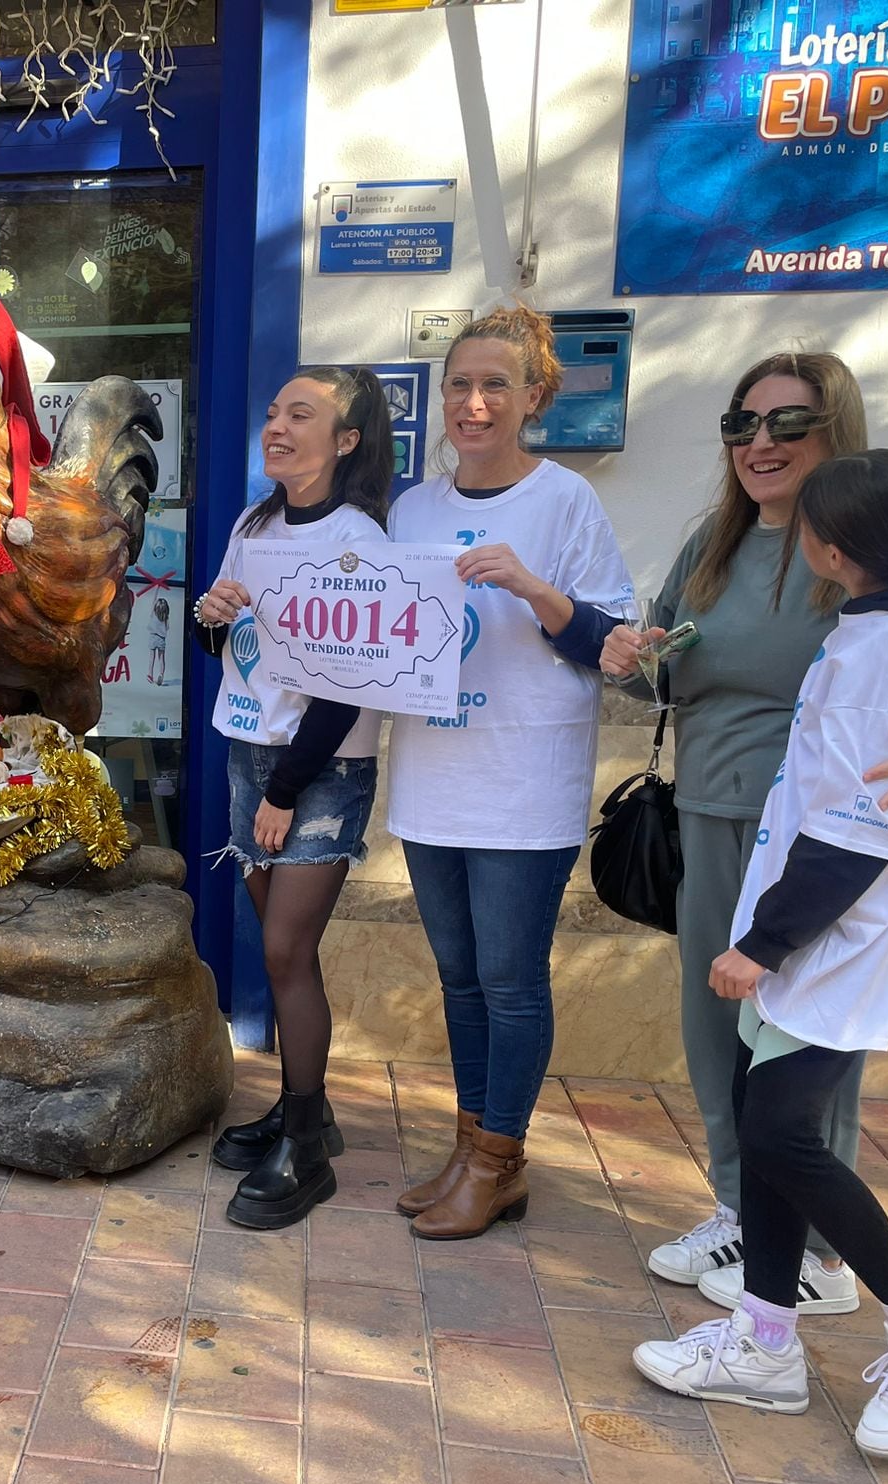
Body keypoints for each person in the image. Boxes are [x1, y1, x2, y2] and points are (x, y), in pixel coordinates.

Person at [601, 353, 888, 1310]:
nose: (759, 444)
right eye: (741, 424)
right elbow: (667, 668)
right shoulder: (711, 546)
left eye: (786, 423)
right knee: (718, 1031)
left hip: (823, 843)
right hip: (712, 820)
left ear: (834, 430)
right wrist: (630, 659)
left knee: (801, 1040)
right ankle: (739, 1212)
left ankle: (810, 1254)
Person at [633, 450, 888, 1459]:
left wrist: (758, 946)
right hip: (833, 922)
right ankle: (762, 1340)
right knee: (767, 1123)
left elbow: (856, 829)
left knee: (787, 1133)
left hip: (844, 930)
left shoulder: (884, 648)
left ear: (825, 547)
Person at [389, 307, 633, 1241]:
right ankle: (475, 1151)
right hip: (432, 776)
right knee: (458, 978)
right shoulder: (413, 508)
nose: (475, 404)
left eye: (497, 386)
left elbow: (612, 643)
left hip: (524, 779)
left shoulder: (565, 501)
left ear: (534, 398)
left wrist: (533, 586)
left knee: (511, 980)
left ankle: (497, 1160)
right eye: (459, 384)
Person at [194, 366, 395, 1231]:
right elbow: (233, 650)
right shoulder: (256, 520)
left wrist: (283, 789)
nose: (277, 425)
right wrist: (212, 616)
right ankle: (301, 1107)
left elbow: (349, 686)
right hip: (249, 750)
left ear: (346, 440)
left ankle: (306, 1151)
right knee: (284, 951)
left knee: (283, 949)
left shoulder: (360, 540)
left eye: (300, 414)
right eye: (273, 411)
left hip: (318, 771)